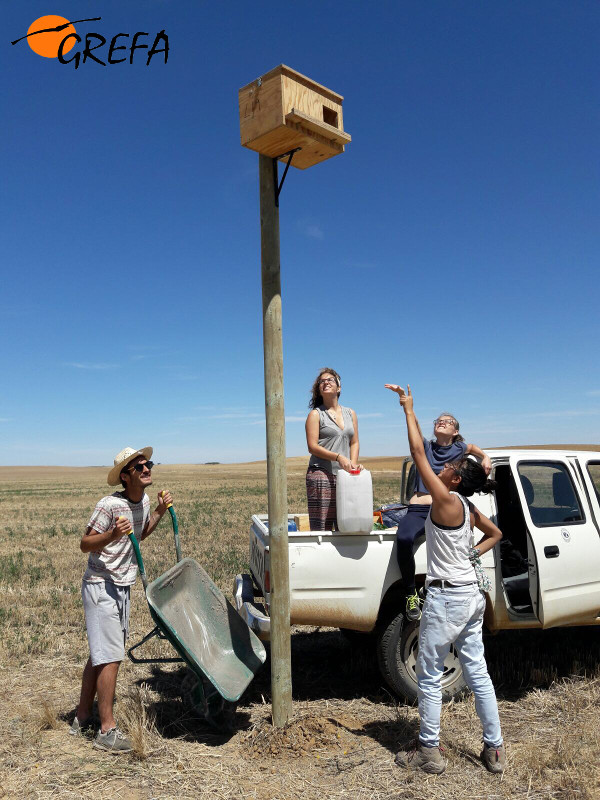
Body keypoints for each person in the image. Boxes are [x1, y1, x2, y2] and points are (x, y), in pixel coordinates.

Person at [389, 384, 505, 775]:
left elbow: (418, 452)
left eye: (451, 469)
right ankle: (494, 749)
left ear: (454, 481)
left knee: (428, 672)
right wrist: (473, 554)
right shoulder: (468, 506)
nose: (445, 467)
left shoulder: (444, 500)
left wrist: (408, 409)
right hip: (471, 597)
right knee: (478, 672)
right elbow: (496, 534)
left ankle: (429, 752)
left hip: (445, 599)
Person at [70, 446, 172, 754]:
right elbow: (85, 543)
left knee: (101, 653)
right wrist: (112, 534)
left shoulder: (141, 499)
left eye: (147, 464)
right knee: (110, 656)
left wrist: (159, 512)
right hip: (102, 584)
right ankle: (106, 730)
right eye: (138, 467)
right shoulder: (108, 505)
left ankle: (82, 716)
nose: (146, 469)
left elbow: (138, 535)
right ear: (125, 477)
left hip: (122, 586)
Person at [385, 386, 491, 622]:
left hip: (442, 510)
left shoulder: (459, 449)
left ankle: (446, 588)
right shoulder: (427, 447)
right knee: (403, 538)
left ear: (456, 431)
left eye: (448, 421)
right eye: (439, 420)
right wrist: (407, 409)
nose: (441, 422)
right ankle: (411, 591)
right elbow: (415, 439)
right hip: (418, 510)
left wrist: (486, 457)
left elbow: (472, 447)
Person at [305, 367, 361, 531]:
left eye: (330, 380)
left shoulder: (351, 413)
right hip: (321, 474)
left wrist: (353, 464)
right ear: (319, 390)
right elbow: (312, 447)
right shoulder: (316, 415)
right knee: (322, 528)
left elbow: (354, 442)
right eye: (321, 381)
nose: (325, 382)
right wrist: (338, 457)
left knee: (347, 524)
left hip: (345, 476)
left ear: (339, 387)